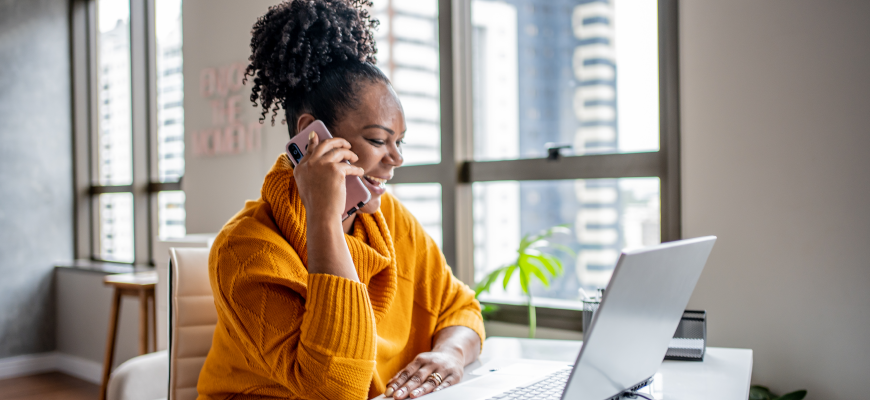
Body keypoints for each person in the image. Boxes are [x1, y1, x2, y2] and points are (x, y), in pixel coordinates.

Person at [195, 1, 485, 399]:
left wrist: (450, 354)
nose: (396, 158)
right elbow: (335, 389)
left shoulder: (391, 221)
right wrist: (324, 219)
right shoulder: (245, 251)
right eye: (378, 140)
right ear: (313, 136)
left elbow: (461, 307)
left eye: (399, 143)